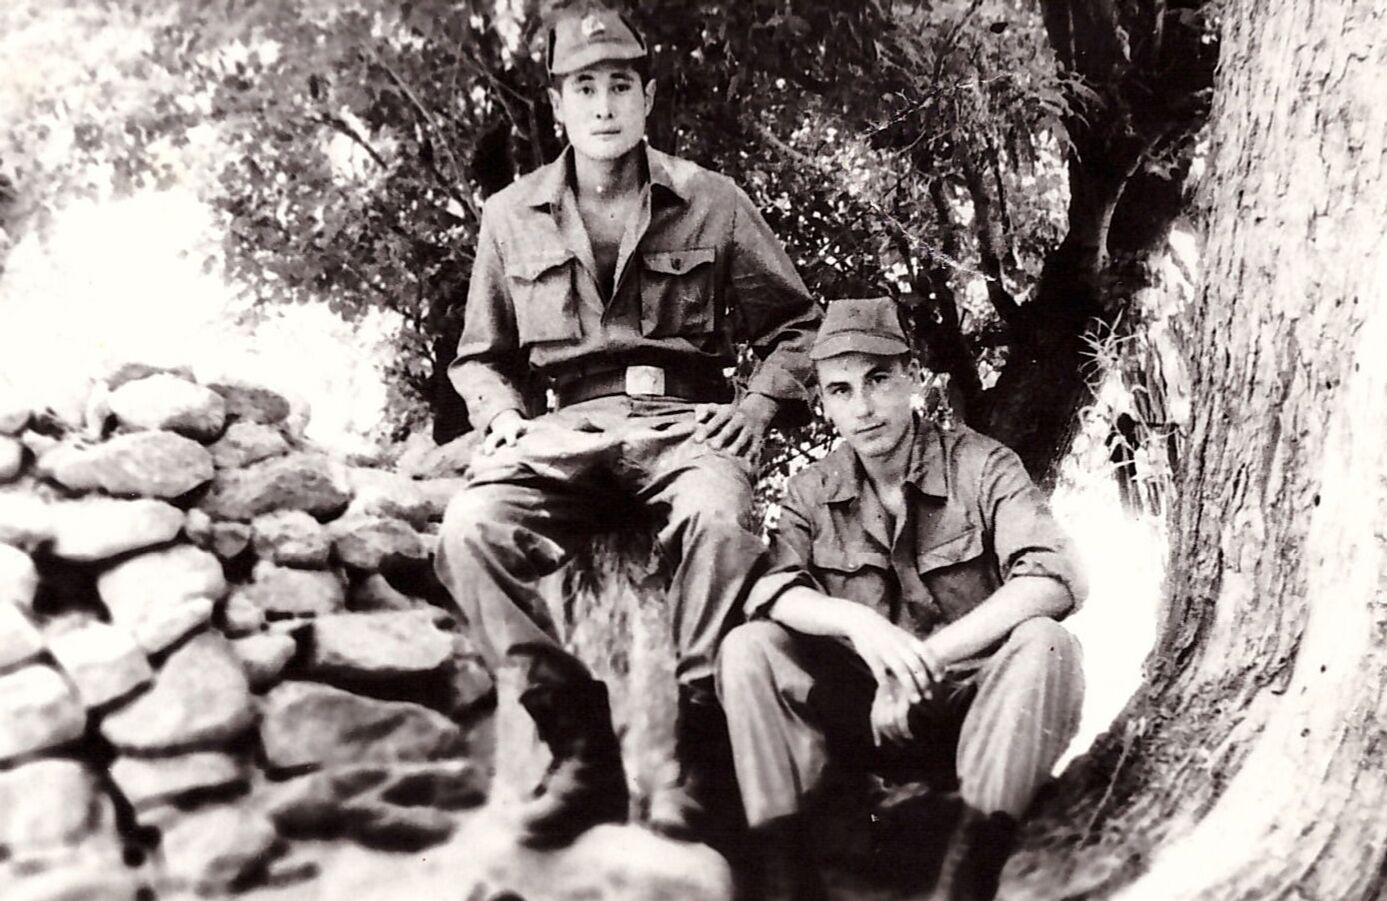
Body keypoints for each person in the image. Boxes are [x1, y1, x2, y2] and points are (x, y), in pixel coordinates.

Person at [435, 4, 820, 851]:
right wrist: (501, 415)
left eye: (619, 85)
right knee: (467, 529)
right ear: (557, 106)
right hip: (563, 428)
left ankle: (698, 754)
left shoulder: (712, 200)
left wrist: (756, 406)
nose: (603, 105)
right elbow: (478, 357)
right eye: (584, 89)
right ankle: (577, 742)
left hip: (683, 422)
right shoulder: (509, 215)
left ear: (646, 98)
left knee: (719, 520)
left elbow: (797, 326)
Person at [718, 298, 1086, 900]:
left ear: (913, 375)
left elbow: (1054, 577)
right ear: (824, 401)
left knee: (1048, 643)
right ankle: (788, 876)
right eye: (840, 390)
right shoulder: (811, 491)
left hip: (972, 711)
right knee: (748, 648)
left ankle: (970, 871)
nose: (862, 408)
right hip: (865, 719)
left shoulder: (982, 464)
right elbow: (770, 590)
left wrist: (924, 660)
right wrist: (856, 623)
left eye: (878, 380)